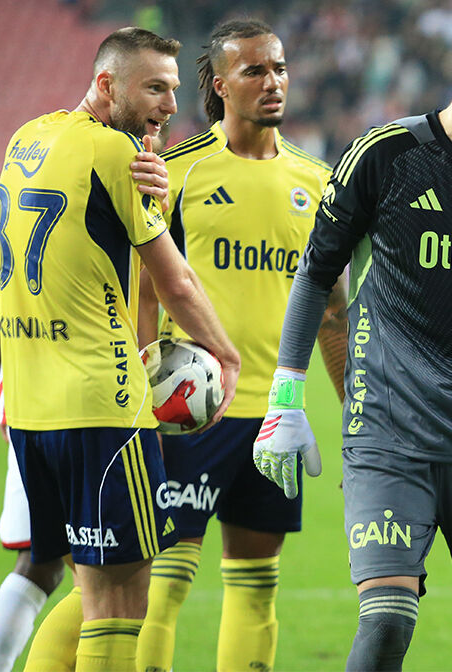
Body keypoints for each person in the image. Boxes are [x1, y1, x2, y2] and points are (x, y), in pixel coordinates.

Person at [250, 12, 452, 670]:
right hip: (390, 433)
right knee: (388, 621)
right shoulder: (385, 156)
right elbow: (314, 275)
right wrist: (287, 394)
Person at [0, 26, 240, 672]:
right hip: (103, 414)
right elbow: (176, 282)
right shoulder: (114, 156)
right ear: (107, 86)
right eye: (154, 88)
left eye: (173, 89)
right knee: (120, 602)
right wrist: (227, 356)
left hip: (31, 412)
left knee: (70, 578)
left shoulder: (27, 139)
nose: (168, 103)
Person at [132, 19, 346, 672]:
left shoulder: (318, 180)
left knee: (257, 583)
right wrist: (144, 392)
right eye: (255, 71)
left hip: (275, 417)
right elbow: (143, 289)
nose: (273, 81)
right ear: (221, 85)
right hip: (189, 410)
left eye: (278, 68)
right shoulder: (178, 170)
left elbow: (333, 313)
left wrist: (357, 414)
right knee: (159, 586)